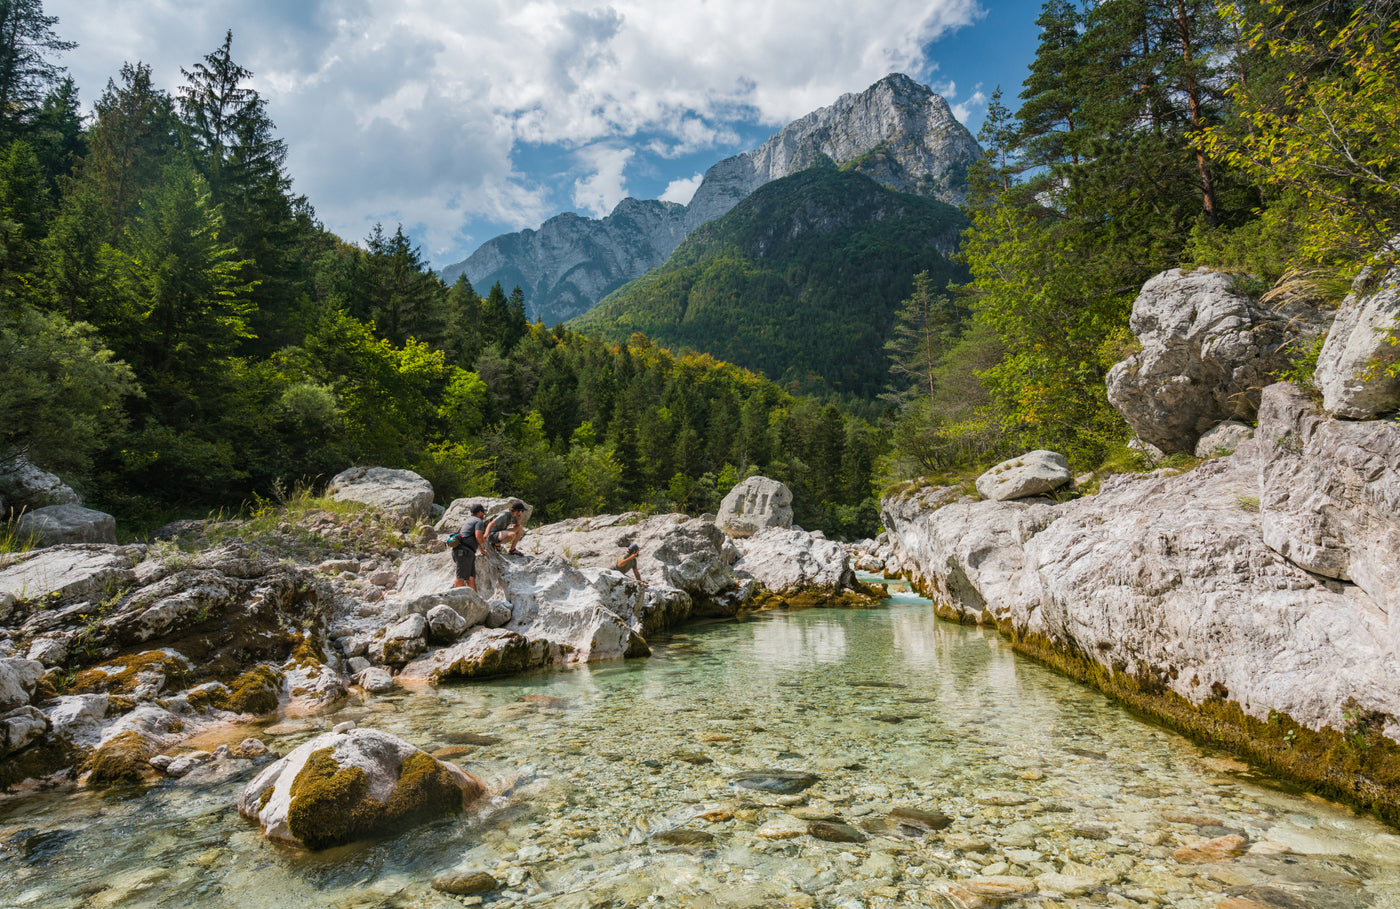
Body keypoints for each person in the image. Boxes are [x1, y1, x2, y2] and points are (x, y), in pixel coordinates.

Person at [452, 504, 488, 590]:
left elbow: (472, 538)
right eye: (483, 513)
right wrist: (484, 539)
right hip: (464, 552)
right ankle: (456, 601)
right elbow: (478, 538)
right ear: (479, 512)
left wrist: (482, 550)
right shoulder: (479, 521)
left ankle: (474, 600)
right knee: (460, 577)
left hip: (466, 551)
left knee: (471, 578)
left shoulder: (469, 521)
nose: (483, 515)